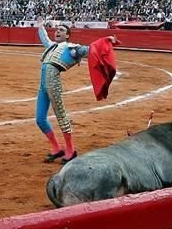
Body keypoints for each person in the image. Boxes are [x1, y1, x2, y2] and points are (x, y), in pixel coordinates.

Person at [34, 19, 116, 164]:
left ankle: (71, 150)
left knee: (61, 116)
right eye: (57, 29)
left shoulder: (72, 48)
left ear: (67, 35)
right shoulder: (52, 46)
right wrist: (40, 26)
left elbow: (92, 49)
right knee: (40, 119)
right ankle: (57, 148)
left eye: (61, 30)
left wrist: (107, 41)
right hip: (43, 85)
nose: (57, 31)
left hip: (53, 84)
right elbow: (45, 38)